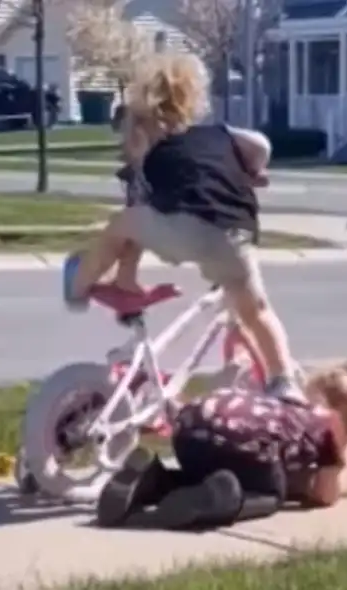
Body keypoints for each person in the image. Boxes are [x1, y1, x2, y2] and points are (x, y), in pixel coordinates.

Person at [67, 51, 301, 401]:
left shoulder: (150, 142)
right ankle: (284, 382)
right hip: (233, 233)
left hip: (183, 227)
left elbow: (137, 202)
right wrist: (253, 171)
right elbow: (261, 144)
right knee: (258, 311)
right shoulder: (220, 134)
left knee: (123, 223)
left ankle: (80, 283)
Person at [96, 352, 347, 529]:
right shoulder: (330, 428)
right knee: (270, 493)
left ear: (317, 382)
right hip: (240, 446)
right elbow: (324, 495)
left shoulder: (283, 402)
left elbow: (252, 429)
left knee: (207, 472)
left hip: (190, 429)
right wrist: (323, 481)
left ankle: (154, 479)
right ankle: (225, 499)